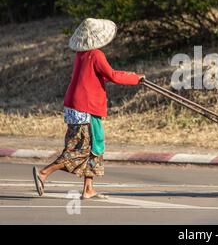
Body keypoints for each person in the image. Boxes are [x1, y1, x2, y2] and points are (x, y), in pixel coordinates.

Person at [32, 18, 145, 200]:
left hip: (77, 105)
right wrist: (135, 78)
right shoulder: (96, 54)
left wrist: (130, 75)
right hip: (85, 107)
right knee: (80, 149)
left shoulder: (81, 54)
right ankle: (43, 174)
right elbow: (112, 76)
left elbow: (100, 76)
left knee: (94, 146)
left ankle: (88, 188)